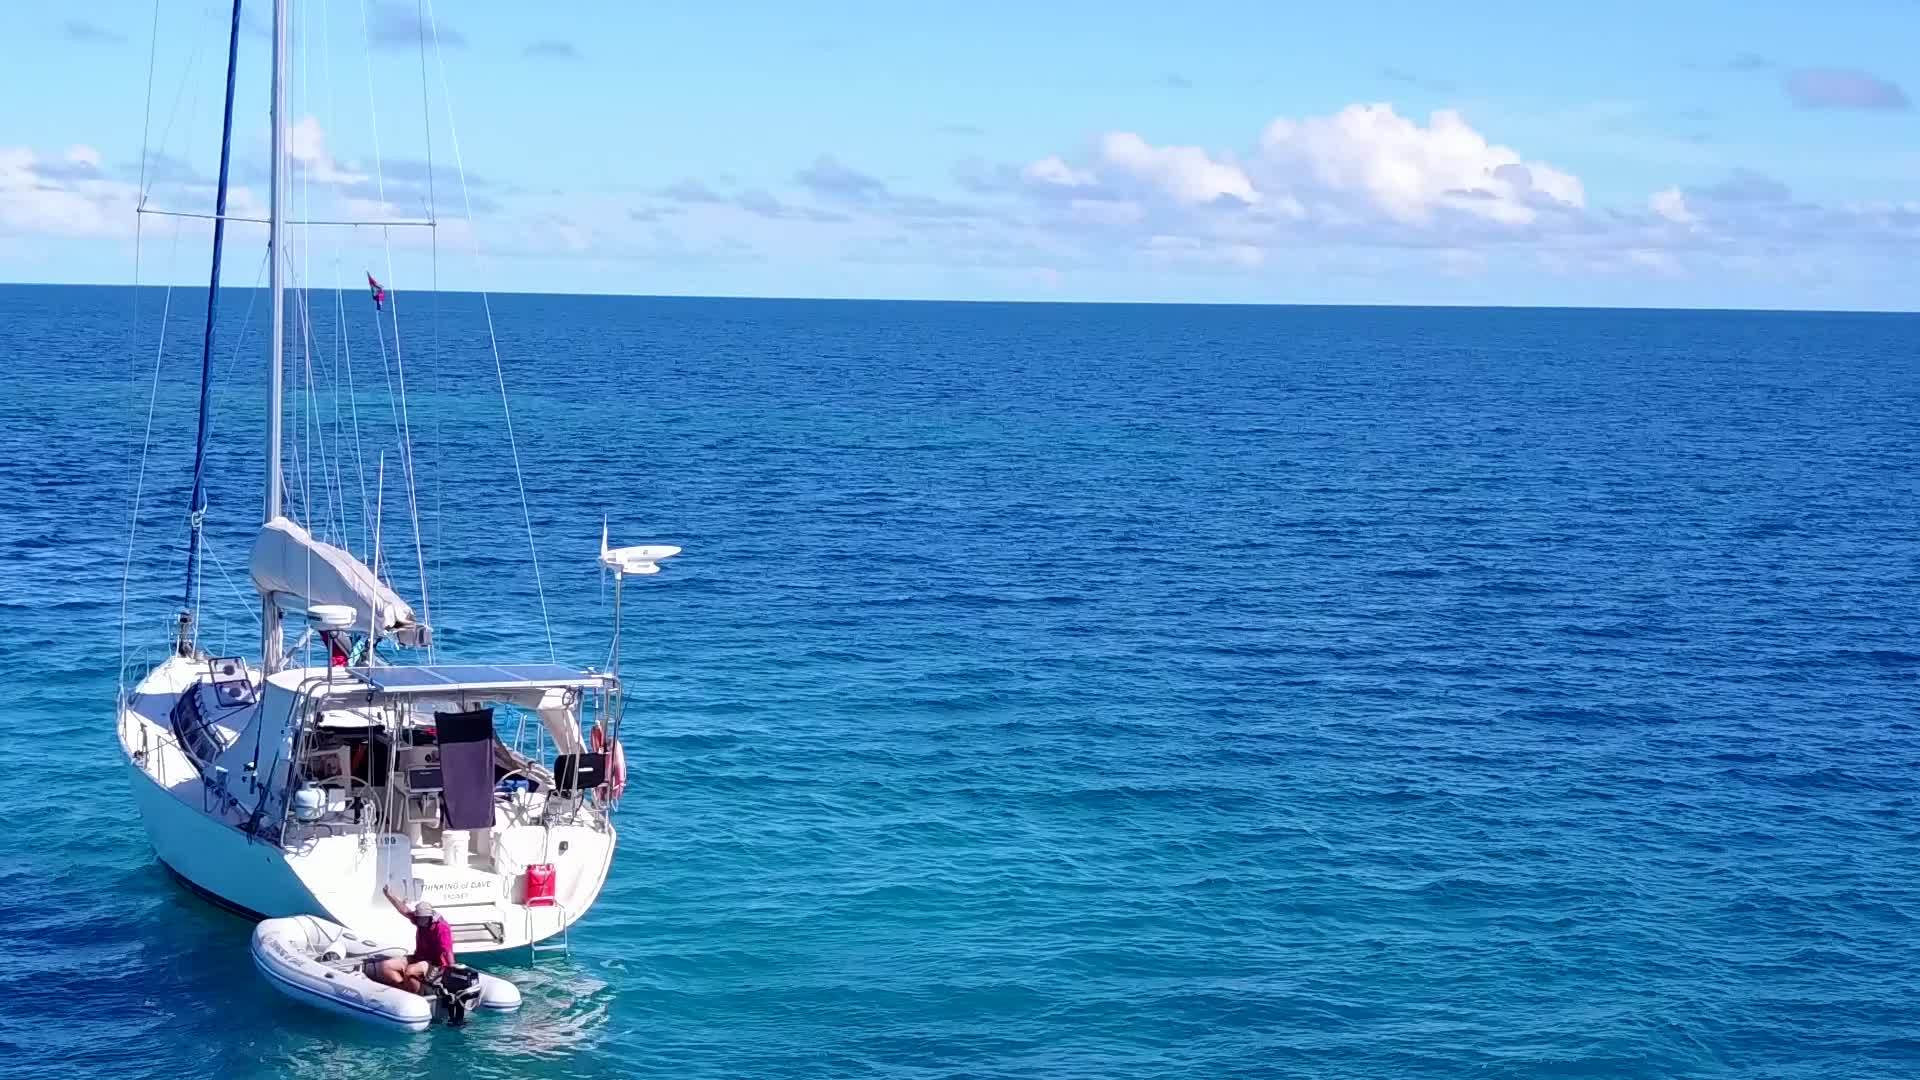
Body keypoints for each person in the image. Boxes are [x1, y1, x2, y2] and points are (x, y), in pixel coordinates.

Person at [370, 887, 454, 995]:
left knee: (411, 971)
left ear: (429, 917)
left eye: (422, 919)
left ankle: (417, 994)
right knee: (386, 966)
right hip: (418, 957)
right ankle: (404, 990)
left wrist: (452, 969)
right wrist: (389, 895)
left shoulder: (442, 928)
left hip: (435, 964)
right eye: (418, 918)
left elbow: (447, 951)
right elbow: (404, 910)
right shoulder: (419, 920)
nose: (419, 921)